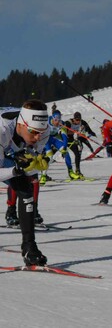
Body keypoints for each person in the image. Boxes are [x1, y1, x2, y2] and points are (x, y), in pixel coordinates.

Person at [0, 99, 50, 265]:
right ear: (21, 124)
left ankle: (29, 247)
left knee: (26, 190)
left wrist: (33, 166)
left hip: (7, 150)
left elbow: (31, 165)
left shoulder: (43, 130)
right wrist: (16, 170)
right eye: (34, 132)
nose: (38, 137)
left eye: (40, 133)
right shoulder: (2, 130)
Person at [40, 110, 78, 183]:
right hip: (46, 139)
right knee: (50, 156)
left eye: (59, 119)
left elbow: (64, 136)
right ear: (53, 118)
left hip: (54, 138)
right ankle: (43, 176)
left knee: (66, 153)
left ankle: (71, 173)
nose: (57, 122)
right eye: (56, 120)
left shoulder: (62, 124)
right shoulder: (46, 121)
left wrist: (64, 147)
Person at [63, 111, 97, 179]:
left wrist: (91, 132)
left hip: (71, 139)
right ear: (74, 118)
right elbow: (62, 132)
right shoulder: (68, 123)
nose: (78, 121)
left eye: (79, 120)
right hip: (63, 139)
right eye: (77, 120)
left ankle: (77, 171)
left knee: (77, 154)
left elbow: (87, 127)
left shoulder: (82, 122)